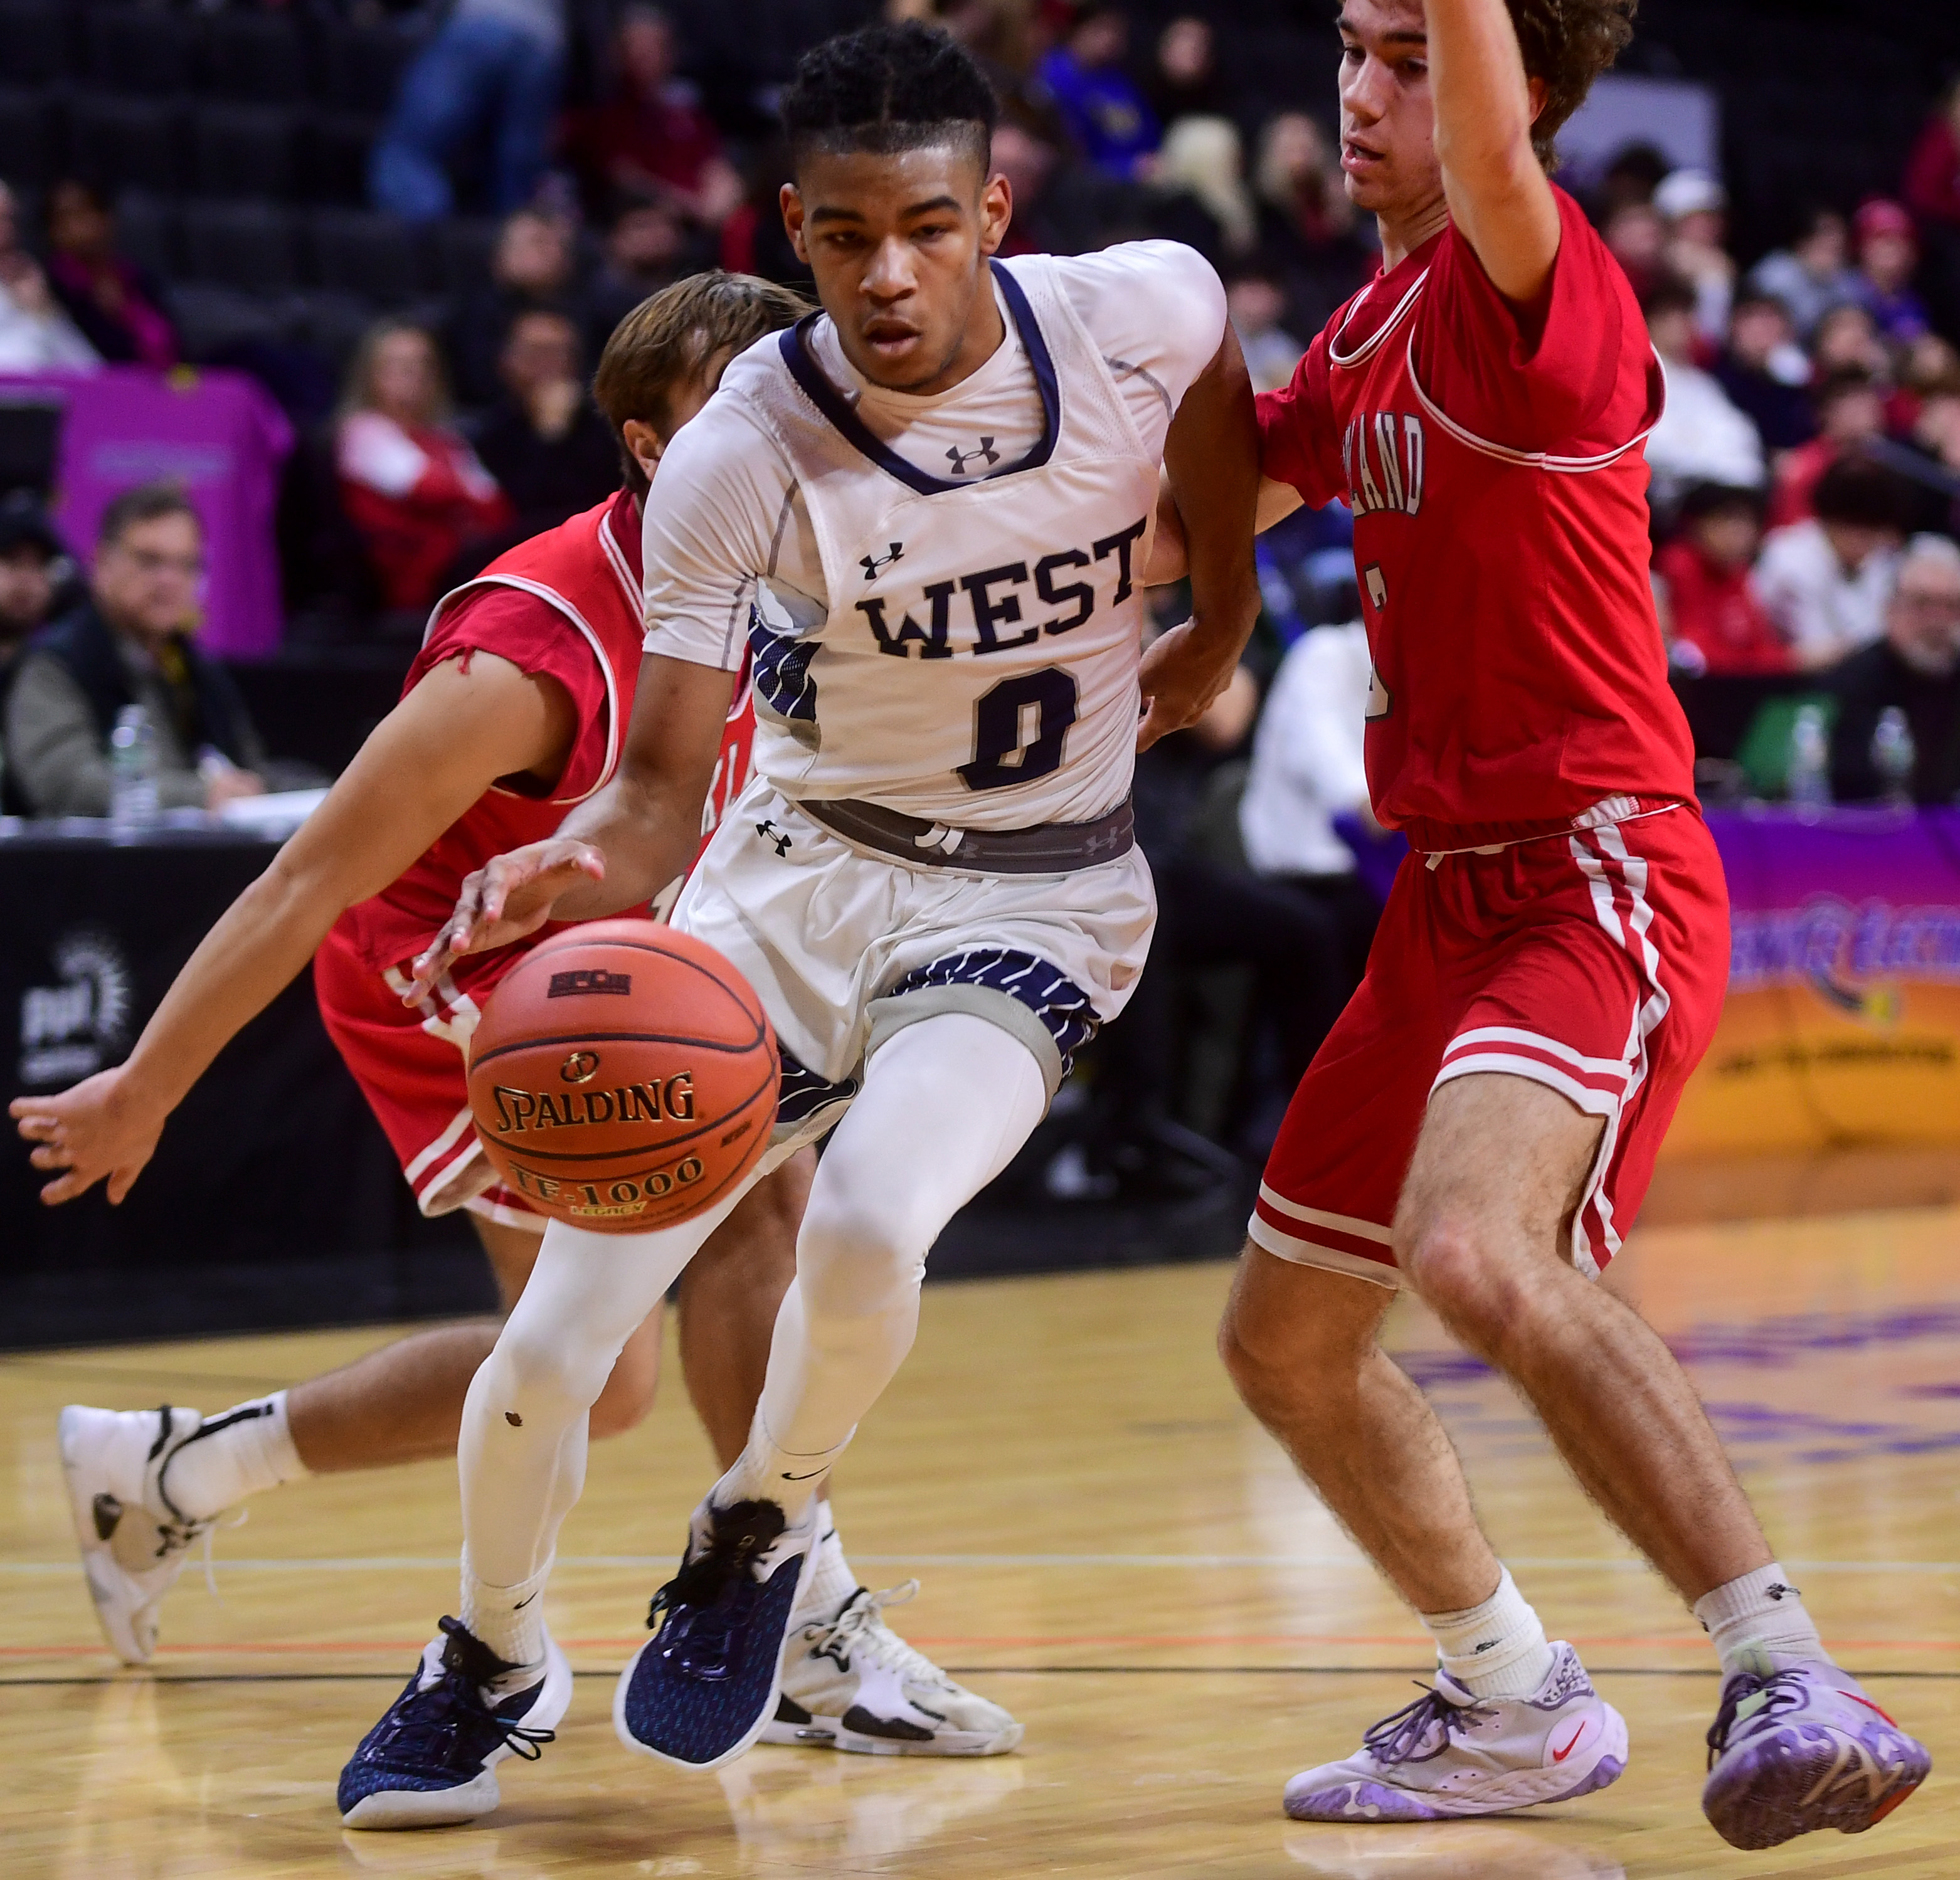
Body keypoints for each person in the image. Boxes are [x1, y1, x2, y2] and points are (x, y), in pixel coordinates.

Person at [364, 17, 1257, 1825]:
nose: (889, 272)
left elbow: (1227, 422)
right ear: (792, 227)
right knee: (560, 1341)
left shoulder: (1142, 307)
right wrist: (568, 866)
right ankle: (489, 1644)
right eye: (844, 238)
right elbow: (656, 785)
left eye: (927, 226)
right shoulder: (733, 457)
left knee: (867, 1217)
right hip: (783, 884)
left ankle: (756, 1517)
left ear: (994, 209)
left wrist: (1221, 618)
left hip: (1036, 884)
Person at [12, 274, 1012, 1773]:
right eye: (736, 410)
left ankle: (172, 1473)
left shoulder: (800, 579)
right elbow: (305, 879)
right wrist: (148, 1084)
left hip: (628, 953)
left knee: (624, 1359)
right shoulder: (530, 651)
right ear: (644, 443)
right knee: (725, 1236)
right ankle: (773, 1624)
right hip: (454, 975)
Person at [1189, 0, 1927, 1849]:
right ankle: (1512, 1697)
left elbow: (1498, 160)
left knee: (1475, 1251)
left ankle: (1785, 1666)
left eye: (1411, 57)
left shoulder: (1544, 285)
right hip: (1438, 903)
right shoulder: (1364, 331)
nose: (1363, 94)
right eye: (1350, 52)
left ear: (1508, 81)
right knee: (1282, 1344)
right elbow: (1217, 487)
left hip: (1589, 871)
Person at [3, 485, 270, 817]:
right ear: (101, 564)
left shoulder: (196, 669)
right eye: (149, 561)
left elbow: (250, 770)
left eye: (187, 565)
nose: (169, 581)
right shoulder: (56, 666)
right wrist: (200, 795)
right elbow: (68, 788)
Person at [336, 320, 512, 613]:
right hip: (407, 578)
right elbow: (430, 490)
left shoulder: (447, 439)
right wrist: (464, 502)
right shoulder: (363, 432)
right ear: (369, 376)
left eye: (424, 364)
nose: (414, 374)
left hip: (455, 564)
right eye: (398, 365)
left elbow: (497, 510)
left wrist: (461, 501)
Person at [369, 0, 565, 222]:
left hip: (483, 23)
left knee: (408, 150)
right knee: (516, 171)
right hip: (545, 41)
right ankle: (510, 241)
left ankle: (426, 242)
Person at [561, 5, 743, 230]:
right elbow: (627, 180)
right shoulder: (603, 118)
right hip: (638, 221)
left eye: (654, 46)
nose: (644, 54)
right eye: (635, 45)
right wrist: (694, 208)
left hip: (702, 222)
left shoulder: (687, 114)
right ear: (616, 53)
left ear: (670, 53)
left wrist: (722, 197)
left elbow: (714, 165)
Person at [1826, 532, 1960, 804]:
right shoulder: (1851, 681)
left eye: (1951, 606)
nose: (1937, 621)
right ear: (1889, 608)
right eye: (1922, 604)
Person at [470, 307, 620, 536]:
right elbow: (517, 511)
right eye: (535, 354)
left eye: (557, 353)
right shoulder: (488, 436)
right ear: (507, 362)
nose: (547, 366)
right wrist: (550, 436)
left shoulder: (607, 427)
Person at [1755, 457, 1910, 669]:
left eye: (1873, 533)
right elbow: (1815, 650)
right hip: (1797, 682)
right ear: (1827, 520)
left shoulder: (1882, 561)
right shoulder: (1789, 558)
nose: (1863, 544)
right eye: (1853, 530)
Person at [1642, 273, 1764, 508]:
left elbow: (1739, 432)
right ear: (1649, 321)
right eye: (1670, 317)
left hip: (1720, 486)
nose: (1681, 325)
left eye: (1686, 316)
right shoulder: (1637, 378)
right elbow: (1654, 446)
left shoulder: (1702, 383)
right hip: (1672, 495)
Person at [1653, 483, 1789, 677]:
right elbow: (1694, 649)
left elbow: (1760, 643)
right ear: (1699, 524)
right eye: (1728, 522)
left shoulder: (1739, 573)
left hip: (1739, 681)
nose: (1741, 535)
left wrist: (1786, 660)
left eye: (1747, 525)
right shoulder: (1679, 564)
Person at [43, 180, 178, 371]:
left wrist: (127, 311)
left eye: (87, 213)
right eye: (66, 218)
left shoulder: (137, 278)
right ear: (52, 230)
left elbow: (171, 347)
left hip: (156, 384)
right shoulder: (48, 288)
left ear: (108, 218)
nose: (79, 227)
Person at [1037, 6, 1161, 179]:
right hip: (1087, 182)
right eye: (1102, 29)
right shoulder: (1054, 76)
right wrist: (1127, 168)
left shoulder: (1119, 81)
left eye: (1118, 33)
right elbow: (1066, 152)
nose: (1110, 40)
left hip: (1140, 179)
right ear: (1078, 29)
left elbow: (1149, 136)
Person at [0, 180, 98, 372]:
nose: (8, 231)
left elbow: (90, 369)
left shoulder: (27, 286)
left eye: (10, 219)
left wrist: (44, 312)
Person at [1714, 290, 1816, 456]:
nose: (1761, 330)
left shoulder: (1797, 386)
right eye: (1752, 320)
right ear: (1733, 327)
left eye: (1769, 322)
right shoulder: (1715, 379)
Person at [1747, 206, 1860, 343]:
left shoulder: (1844, 281)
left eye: (1836, 246)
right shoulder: (1774, 275)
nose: (1832, 243)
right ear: (1803, 242)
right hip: (1778, 346)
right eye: (1824, 241)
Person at [1653, 168, 1733, 346]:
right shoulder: (1659, 264)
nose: (1707, 226)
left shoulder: (1721, 262)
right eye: (1696, 219)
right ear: (1672, 224)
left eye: (1712, 218)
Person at [1850, 198, 1932, 347]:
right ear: (1863, 246)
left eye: (1904, 242)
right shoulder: (1846, 293)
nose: (1897, 251)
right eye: (1887, 241)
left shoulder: (1912, 301)